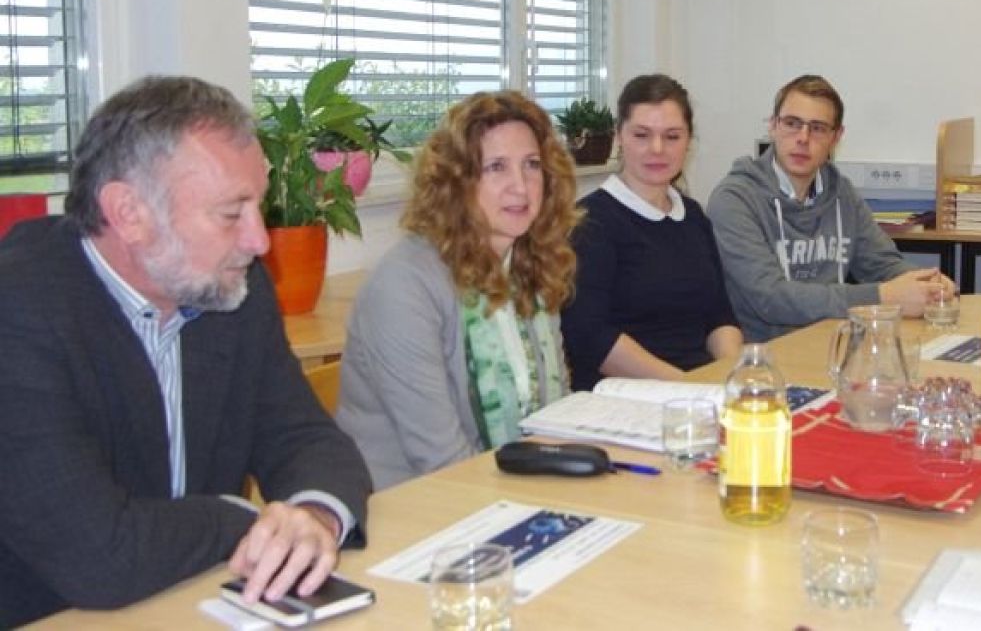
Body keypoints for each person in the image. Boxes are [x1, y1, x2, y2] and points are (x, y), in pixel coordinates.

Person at [0, 77, 371, 627]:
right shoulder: (18, 311)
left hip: (185, 598)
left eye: (259, 205)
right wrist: (246, 523)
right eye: (231, 213)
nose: (259, 241)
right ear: (129, 213)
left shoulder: (229, 286)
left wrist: (312, 517)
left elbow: (303, 436)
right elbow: (99, 557)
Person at [336, 91, 578, 490]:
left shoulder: (530, 262)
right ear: (456, 182)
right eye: (496, 167)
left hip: (510, 488)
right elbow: (440, 460)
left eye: (532, 165)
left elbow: (559, 414)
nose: (521, 186)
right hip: (411, 505)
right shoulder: (405, 286)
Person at [708, 74, 954, 342]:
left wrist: (925, 283)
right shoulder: (734, 200)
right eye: (792, 123)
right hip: (766, 354)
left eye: (818, 128)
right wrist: (882, 296)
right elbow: (770, 298)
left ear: (836, 137)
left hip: (832, 344)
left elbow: (881, 262)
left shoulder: (841, 193)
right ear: (773, 126)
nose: (803, 138)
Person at [561, 74, 743, 390]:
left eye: (672, 136)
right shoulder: (589, 222)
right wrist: (686, 386)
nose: (657, 149)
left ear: (688, 141)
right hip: (623, 396)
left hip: (699, 388)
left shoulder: (693, 216)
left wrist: (732, 374)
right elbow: (591, 337)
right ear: (619, 136)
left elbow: (719, 315)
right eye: (642, 135)